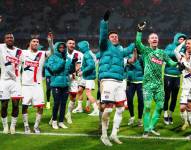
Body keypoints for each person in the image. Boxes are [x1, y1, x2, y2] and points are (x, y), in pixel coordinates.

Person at [99, 10, 136, 146]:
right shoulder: (104, 46)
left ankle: (114, 134)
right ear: (109, 39)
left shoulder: (121, 50)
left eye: (116, 36)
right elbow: (103, 34)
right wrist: (105, 21)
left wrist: (137, 37)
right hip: (108, 80)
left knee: (120, 108)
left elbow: (132, 48)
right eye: (112, 36)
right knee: (108, 109)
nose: (114, 38)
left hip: (120, 81)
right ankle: (104, 135)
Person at [135, 22, 178, 137]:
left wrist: (179, 63)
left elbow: (171, 63)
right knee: (148, 107)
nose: (154, 39)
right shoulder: (145, 51)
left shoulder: (162, 53)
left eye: (156, 38)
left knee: (159, 107)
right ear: (148, 41)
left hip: (159, 85)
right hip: (148, 84)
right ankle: (145, 130)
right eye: (152, 38)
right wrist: (139, 31)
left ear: (158, 41)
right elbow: (138, 43)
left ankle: (151, 127)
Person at [21, 33, 53, 134]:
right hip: (26, 85)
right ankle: (26, 126)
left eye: (37, 42)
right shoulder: (22, 53)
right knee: (25, 106)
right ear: (29, 43)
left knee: (40, 106)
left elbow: (52, 51)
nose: (36, 43)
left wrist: (50, 41)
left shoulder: (42, 54)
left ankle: (36, 126)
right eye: (34, 41)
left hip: (37, 85)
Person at [46, 41, 77, 129]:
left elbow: (70, 71)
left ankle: (61, 121)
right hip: (56, 83)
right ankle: (54, 121)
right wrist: (63, 61)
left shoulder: (68, 58)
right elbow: (54, 69)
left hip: (65, 84)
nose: (62, 49)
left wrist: (73, 64)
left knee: (64, 103)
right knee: (56, 103)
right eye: (60, 48)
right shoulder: (52, 57)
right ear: (56, 48)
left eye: (63, 48)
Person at [0, 32, 23, 134]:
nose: (9, 39)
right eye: (7, 37)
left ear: (14, 39)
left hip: (16, 82)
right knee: (4, 105)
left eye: (11, 37)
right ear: (4, 40)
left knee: (15, 105)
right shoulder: (1, 48)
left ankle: (12, 126)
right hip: (4, 82)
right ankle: (5, 126)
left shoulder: (19, 52)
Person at [164, 33, 187, 125]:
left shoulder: (184, 48)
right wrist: (176, 53)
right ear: (176, 39)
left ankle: (170, 114)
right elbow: (166, 55)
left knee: (174, 97)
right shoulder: (170, 46)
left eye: (183, 39)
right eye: (180, 39)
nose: (181, 40)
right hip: (168, 74)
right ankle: (165, 113)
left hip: (177, 76)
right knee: (167, 96)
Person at [65, 38, 84, 124]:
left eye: (73, 43)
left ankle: (68, 114)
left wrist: (79, 72)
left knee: (73, 97)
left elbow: (81, 65)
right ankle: (54, 117)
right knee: (61, 98)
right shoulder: (62, 53)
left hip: (73, 79)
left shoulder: (79, 54)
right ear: (66, 44)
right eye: (70, 43)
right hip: (63, 78)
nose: (72, 45)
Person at [77, 41, 99, 116]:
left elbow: (91, 66)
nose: (79, 48)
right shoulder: (89, 53)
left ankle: (96, 110)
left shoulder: (87, 55)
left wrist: (82, 71)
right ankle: (79, 108)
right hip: (87, 76)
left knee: (88, 93)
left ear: (83, 47)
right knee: (80, 90)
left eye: (80, 47)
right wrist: (81, 68)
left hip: (89, 77)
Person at [174, 39, 191, 130]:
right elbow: (176, 51)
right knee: (182, 107)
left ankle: (187, 123)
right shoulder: (182, 56)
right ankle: (186, 122)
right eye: (187, 44)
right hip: (185, 87)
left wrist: (185, 67)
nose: (187, 45)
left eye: (189, 44)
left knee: (189, 108)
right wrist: (183, 42)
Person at [126, 43, 144, 127]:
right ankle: (132, 116)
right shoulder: (128, 56)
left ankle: (140, 119)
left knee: (141, 101)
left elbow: (146, 68)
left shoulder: (143, 57)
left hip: (141, 82)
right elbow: (132, 61)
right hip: (130, 82)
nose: (136, 49)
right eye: (135, 48)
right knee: (129, 100)